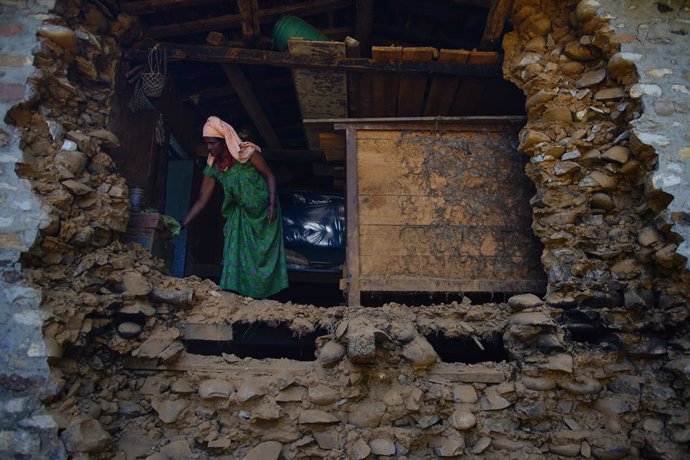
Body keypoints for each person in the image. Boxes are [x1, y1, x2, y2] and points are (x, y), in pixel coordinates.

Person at [181, 116, 288, 298]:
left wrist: (272, 204)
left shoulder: (248, 154)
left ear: (224, 141)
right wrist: (184, 222)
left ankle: (265, 300)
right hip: (241, 215)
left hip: (266, 213)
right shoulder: (213, 167)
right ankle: (236, 298)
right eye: (207, 143)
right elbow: (202, 200)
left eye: (213, 143)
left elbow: (269, 175)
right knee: (235, 252)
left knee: (265, 257)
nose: (209, 148)